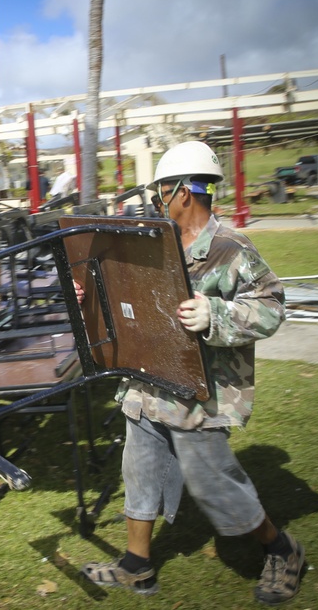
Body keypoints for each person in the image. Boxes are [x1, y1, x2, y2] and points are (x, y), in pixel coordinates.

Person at [81, 141, 305, 606]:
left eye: (163, 189)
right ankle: (137, 567)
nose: (157, 198)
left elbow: (272, 307)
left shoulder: (229, 247)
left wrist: (216, 314)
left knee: (211, 479)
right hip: (149, 381)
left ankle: (283, 550)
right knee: (140, 470)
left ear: (184, 191)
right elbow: (133, 297)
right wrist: (93, 287)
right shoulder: (152, 240)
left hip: (200, 389)